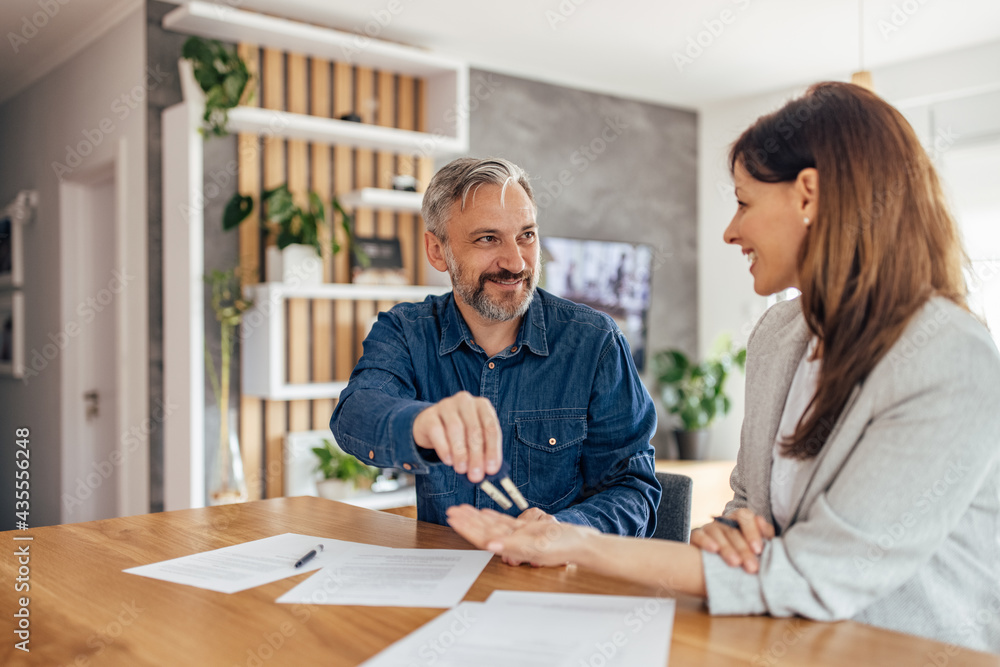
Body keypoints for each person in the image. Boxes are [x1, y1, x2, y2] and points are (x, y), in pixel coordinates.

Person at [446, 83, 1000, 653]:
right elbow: (746, 511)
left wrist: (574, 543)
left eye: (744, 202)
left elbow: (821, 574)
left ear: (808, 194)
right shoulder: (779, 336)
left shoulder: (949, 357)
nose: (730, 231)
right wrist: (728, 534)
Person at [330, 157, 660, 537]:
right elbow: (355, 413)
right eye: (488, 239)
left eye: (527, 235)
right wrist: (423, 423)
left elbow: (634, 490)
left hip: (557, 583)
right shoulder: (406, 330)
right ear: (437, 250)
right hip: (443, 582)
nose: (516, 262)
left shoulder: (596, 341)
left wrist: (566, 529)